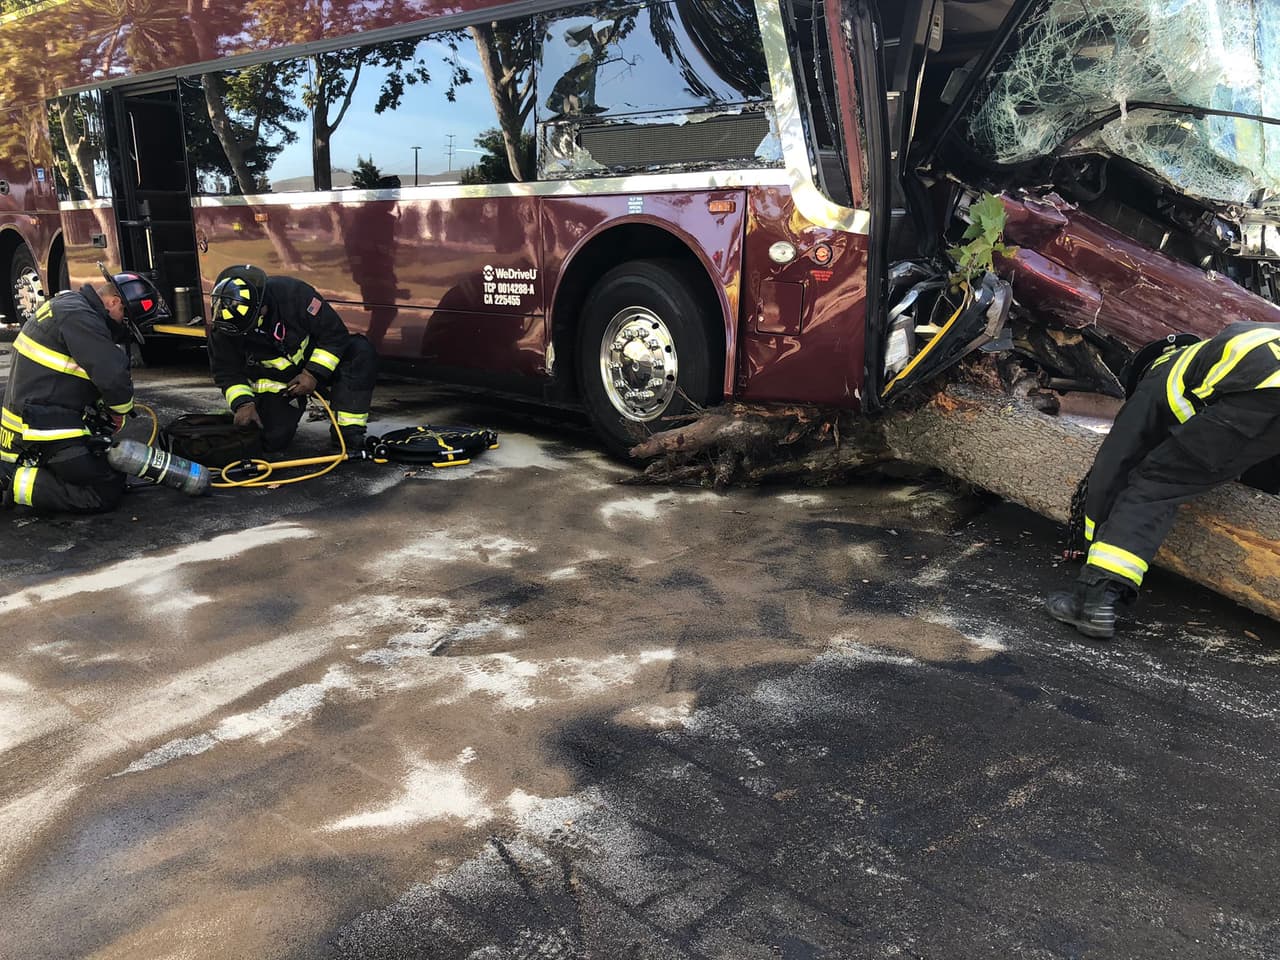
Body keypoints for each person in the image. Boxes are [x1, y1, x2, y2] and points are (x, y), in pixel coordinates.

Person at [1045, 322, 1280, 639]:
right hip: (1263, 397)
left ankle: (1094, 599)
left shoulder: (1158, 376)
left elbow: (1111, 469)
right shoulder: (1219, 351)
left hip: (1259, 395)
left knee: (1154, 485)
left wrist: (1091, 541)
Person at [0, 270, 166, 512]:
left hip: (39, 422)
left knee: (112, 473)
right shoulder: (81, 318)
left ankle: (28, 475)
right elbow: (112, 377)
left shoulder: (70, 306)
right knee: (103, 491)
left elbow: (75, 376)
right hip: (43, 429)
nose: (122, 326)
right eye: (124, 317)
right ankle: (10, 483)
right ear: (114, 302)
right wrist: (119, 410)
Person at [207, 265, 377, 454]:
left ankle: (348, 435)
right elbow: (226, 371)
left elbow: (334, 335)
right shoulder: (224, 324)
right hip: (281, 385)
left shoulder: (295, 294)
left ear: (262, 308)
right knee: (269, 442)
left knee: (359, 351)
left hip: (314, 367)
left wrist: (312, 373)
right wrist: (243, 404)